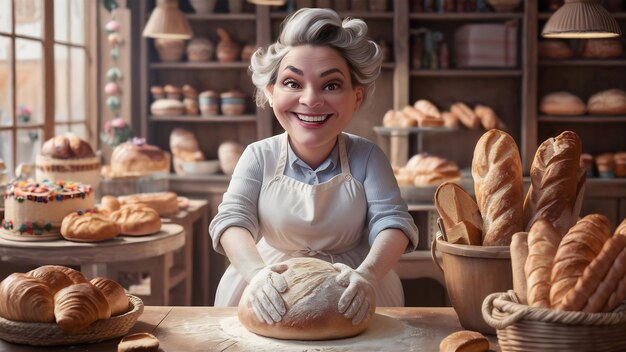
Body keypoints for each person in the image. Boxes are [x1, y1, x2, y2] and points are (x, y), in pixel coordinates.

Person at [208, 7, 419, 325]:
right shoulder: (257, 156)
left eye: (331, 85)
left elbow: (393, 223)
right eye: (292, 83)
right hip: (267, 287)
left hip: (355, 287)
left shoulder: (368, 156)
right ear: (271, 92)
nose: (310, 100)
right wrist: (256, 274)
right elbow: (232, 221)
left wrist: (369, 275)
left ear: (356, 97)